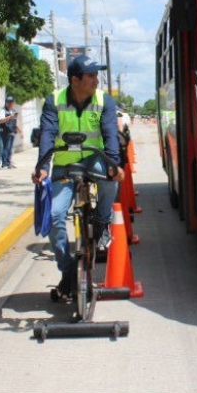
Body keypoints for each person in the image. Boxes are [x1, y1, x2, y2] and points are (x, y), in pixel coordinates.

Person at [32, 54, 125, 298]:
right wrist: (42, 166)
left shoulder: (104, 100)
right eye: (91, 75)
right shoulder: (54, 100)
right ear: (74, 79)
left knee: (109, 179)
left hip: (94, 158)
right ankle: (68, 270)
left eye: (97, 75)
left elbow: (110, 134)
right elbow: (47, 133)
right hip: (64, 163)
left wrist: (114, 163)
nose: (96, 79)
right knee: (54, 217)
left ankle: (103, 222)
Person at [0, 96, 21, 168]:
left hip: (12, 131)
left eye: (12, 102)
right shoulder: (3, 111)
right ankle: (4, 163)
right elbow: (1, 121)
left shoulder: (13, 111)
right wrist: (10, 117)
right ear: (6, 103)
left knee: (10, 148)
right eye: (9, 102)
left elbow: (15, 122)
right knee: (6, 148)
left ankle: (8, 162)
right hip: (5, 131)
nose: (11, 104)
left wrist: (20, 130)